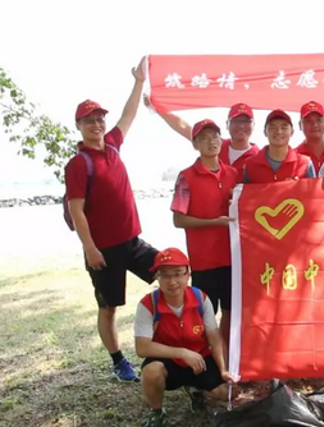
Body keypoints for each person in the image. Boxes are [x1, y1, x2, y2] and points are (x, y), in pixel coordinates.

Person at [64, 57, 158, 382]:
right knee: (109, 308)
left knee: (172, 275)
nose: (97, 124)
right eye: (89, 120)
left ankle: (168, 339)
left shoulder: (114, 145)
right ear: (79, 125)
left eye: (99, 119)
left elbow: (128, 115)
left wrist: (139, 82)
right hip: (103, 250)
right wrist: (90, 249)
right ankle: (119, 361)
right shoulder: (78, 164)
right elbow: (77, 209)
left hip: (132, 241)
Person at [134, 248, 236, 427]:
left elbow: (214, 337)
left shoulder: (200, 298)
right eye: (164, 275)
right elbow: (142, 348)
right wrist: (182, 353)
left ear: (188, 274)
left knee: (225, 393)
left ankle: (197, 392)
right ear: (157, 277)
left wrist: (223, 369)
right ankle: (157, 412)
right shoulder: (148, 304)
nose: (172, 281)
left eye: (177, 274)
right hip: (168, 360)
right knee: (151, 372)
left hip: (199, 359)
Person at [170, 119, 239, 349]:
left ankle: (227, 359)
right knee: (204, 316)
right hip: (203, 261)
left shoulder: (233, 174)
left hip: (232, 258)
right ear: (195, 144)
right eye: (205, 138)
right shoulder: (186, 177)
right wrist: (213, 223)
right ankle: (205, 360)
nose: (212, 142)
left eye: (215, 136)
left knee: (230, 311)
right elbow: (178, 219)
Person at [144, 96, 259, 177]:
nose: (241, 126)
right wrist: (157, 108)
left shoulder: (259, 157)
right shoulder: (215, 145)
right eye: (236, 121)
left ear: (253, 125)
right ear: (227, 125)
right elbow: (182, 126)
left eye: (246, 121)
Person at [242, 109, 317, 183]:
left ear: (292, 132)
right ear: (265, 132)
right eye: (273, 127)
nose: (278, 131)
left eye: (284, 128)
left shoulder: (305, 164)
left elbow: (313, 193)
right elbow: (245, 193)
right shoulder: (251, 165)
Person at [295, 101, 324, 172]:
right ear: (300, 125)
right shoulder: (294, 156)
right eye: (308, 121)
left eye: (319, 120)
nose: (315, 125)